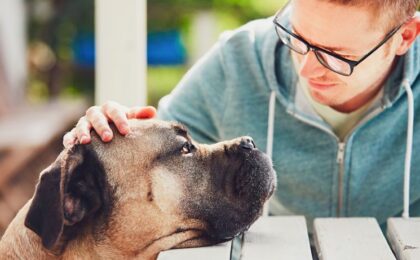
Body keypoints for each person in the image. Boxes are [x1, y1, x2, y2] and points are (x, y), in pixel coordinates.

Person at [64, 0, 420, 231]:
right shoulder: (238, 61)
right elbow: (156, 152)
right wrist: (109, 139)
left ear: (405, 36)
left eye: (336, 56)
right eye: (297, 36)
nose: (307, 68)